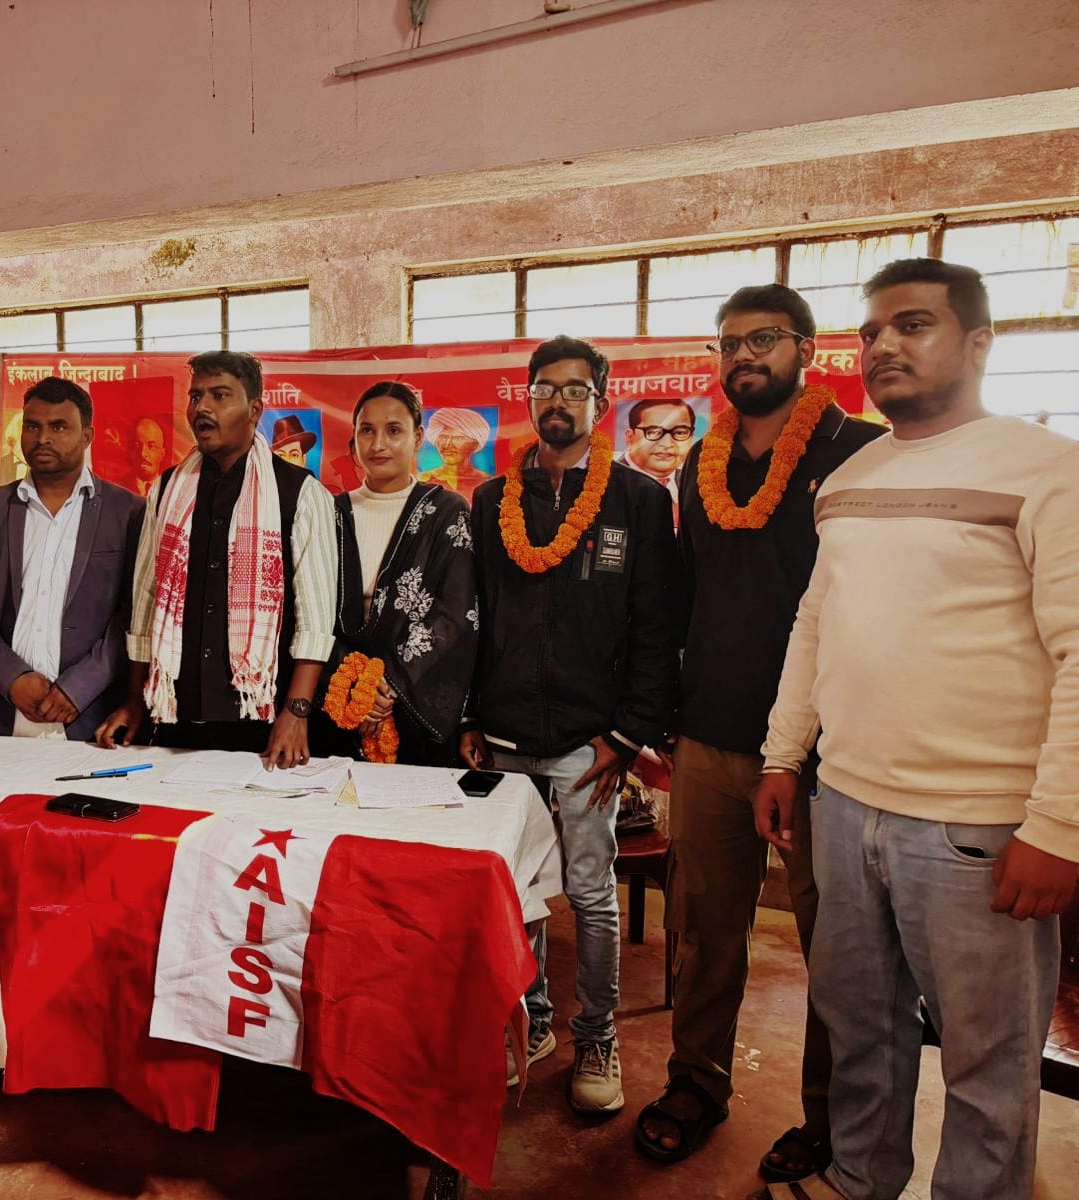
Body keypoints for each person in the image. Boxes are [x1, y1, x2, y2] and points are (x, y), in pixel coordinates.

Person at [751, 259, 1079, 1200]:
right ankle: (859, 1176)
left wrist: (1059, 825)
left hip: (976, 827)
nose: (883, 346)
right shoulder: (851, 476)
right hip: (845, 805)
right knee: (860, 1026)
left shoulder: (1047, 470)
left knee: (987, 1060)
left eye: (913, 324)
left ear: (978, 343)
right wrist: (784, 754)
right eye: (870, 332)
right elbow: (816, 622)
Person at [632, 285, 885, 1180]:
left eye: (763, 339)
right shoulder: (701, 463)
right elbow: (684, 600)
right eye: (728, 343)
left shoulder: (861, 453)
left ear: (808, 350)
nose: (742, 356)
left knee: (836, 947)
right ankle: (696, 1082)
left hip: (828, 751)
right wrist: (666, 714)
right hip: (709, 733)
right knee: (703, 926)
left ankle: (830, 1119)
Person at [461, 336, 680, 1115]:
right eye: (545, 388)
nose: (558, 401)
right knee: (516, 892)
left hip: (592, 743)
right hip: (504, 737)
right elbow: (473, 617)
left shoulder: (638, 501)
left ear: (601, 402)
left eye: (575, 389)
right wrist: (469, 714)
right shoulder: (492, 501)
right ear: (528, 399)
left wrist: (626, 734)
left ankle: (596, 1034)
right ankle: (533, 1022)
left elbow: (658, 628)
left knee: (590, 894)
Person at [97, 351, 337, 767]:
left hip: (264, 722)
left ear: (255, 410)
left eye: (220, 395)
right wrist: (135, 700)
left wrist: (296, 714)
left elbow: (315, 620)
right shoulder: (167, 490)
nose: (202, 408)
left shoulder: (300, 492)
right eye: (196, 397)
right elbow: (146, 602)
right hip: (174, 715)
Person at [0, 377, 143, 740]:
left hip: (89, 716)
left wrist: (81, 686)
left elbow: (133, 613)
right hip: (0, 711)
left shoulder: (128, 512)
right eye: (32, 426)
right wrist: (12, 676)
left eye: (59, 427)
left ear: (87, 436)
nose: (43, 438)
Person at [318, 381, 477, 766]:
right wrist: (356, 682)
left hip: (414, 698)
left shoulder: (446, 511)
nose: (378, 444)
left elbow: (455, 612)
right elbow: (308, 609)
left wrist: (386, 684)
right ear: (354, 440)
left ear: (418, 437)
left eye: (393, 430)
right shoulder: (326, 513)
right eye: (366, 431)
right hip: (338, 696)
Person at [620, 397, 696, 516]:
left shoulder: (695, 485)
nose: (667, 444)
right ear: (630, 438)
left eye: (680, 433)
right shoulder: (608, 482)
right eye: (653, 432)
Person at [419, 406, 492, 495]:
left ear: (475, 444)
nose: (447, 445)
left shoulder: (488, 483)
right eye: (443, 437)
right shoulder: (422, 480)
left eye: (458, 438)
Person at [127, 416, 170, 497]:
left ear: (162, 454)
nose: (143, 453)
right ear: (130, 452)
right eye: (137, 446)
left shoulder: (171, 491)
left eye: (151, 446)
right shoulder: (117, 489)